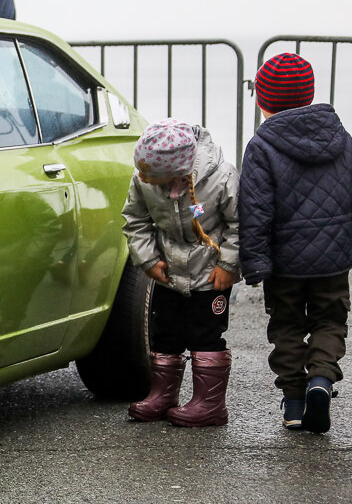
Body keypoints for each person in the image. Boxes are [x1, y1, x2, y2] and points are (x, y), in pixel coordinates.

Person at [238, 53, 351, 434]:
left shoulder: (262, 145)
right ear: (310, 93)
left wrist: (254, 263)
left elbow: (254, 209)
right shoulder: (341, 137)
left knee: (286, 326)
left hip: (285, 262)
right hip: (334, 259)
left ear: (262, 101)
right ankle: (321, 378)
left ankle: (294, 402)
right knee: (330, 320)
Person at [121, 118, 240, 426]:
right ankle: (162, 395)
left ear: (175, 170)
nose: (144, 178)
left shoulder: (221, 177)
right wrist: (148, 260)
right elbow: (135, 220)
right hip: (169, 273)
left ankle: (210, 403)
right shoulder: (144, 178)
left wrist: (228, 265)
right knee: (165, 331)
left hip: (210, 274)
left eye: (151, 174)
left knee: (206, 333)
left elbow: (240, 224)